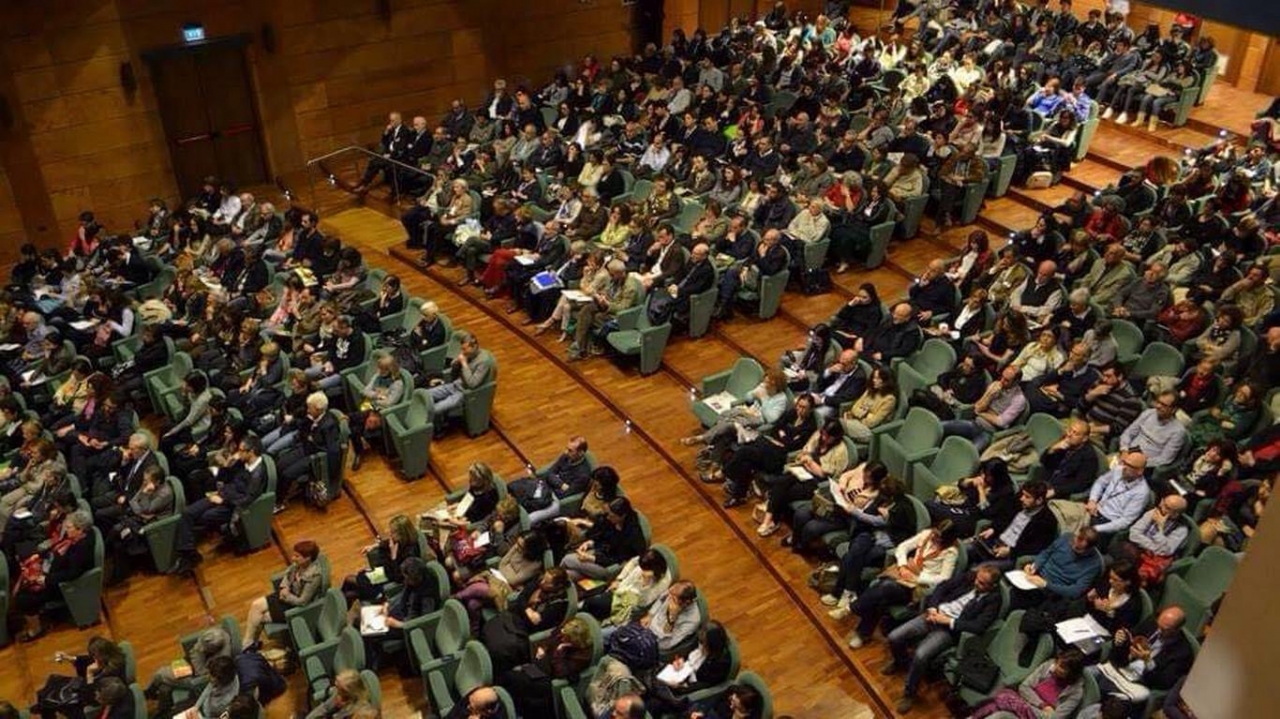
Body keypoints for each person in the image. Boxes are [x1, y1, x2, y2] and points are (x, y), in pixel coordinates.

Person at [883, 565, 1004, 713]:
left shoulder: (993, 600)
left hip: (949, 629)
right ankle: (901, 662)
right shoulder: (970, 577)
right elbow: (942, 587)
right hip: (934, 614)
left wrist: (948, 621)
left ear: (993, 586)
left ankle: (909, 693)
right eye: (977, 579)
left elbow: (978, 626)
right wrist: (933, 607)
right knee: (894, 637)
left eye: (982, 583)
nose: (976, 583)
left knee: (921, 655)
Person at [844, 521, 962, 649]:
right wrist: (903, 566)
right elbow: (902, 547)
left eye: (939, 537)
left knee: (885, 586)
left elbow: (944, 579)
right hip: (905, 574)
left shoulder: (951, 552)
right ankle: (862, 633)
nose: (935, 538)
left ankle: (852, 610)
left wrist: (919, 578)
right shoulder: (927, 534)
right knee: (883, 595)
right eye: (935, 533)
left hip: (920, 587)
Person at [822, 476, 917, 616]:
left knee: (852, 557)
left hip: (888, 542)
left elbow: (879, 522)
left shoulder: (903, 507)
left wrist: (884, 516)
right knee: (852, 554)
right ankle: (844, 592)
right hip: (872, 534)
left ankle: (845, 591)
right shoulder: (882, 498)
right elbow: (870, 513)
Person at [1088, 607, 1194, 711]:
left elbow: (1164, 682)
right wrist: (1121, 640)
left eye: (1164, 629)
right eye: (1158, 625)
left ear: (1177, 630)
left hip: (1140, 682)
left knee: (1110, 706)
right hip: (1121, 666)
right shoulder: (1152, 622)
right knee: (1087, 673)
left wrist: (1148, 662)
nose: (1158, 630)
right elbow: (1131, 637)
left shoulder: (1183, 653)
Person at [242, 540, 324, 647]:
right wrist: (284, 587)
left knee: (260, 617)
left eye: (297, 556)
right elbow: (287, 575)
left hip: (294, 606)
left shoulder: (315, 576)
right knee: (255, 605)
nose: (293, 558)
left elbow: (303, 601)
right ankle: (249, 643)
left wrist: (287, 597)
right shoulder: (297, 565)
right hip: (286, 594)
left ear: (307, 558)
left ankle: (249, 645)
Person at [968, 648, 1087, 719]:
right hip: (1024, 704)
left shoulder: (1075, 692)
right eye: (1057, 663)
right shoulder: (1048, 666)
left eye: (1061, 667)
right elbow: (1024, 687)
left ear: (1072, 672)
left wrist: (1028, 706)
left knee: (1002, 707)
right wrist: (1043, 705)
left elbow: (1054, 717)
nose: (1056, 667)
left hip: (1036, 716)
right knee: (996, 705)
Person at [970, 480, 1059, 570]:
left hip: (1012, 556)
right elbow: (1003, 516)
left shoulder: (1048, 521)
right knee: (966, 550)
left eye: (1027, 497)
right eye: (1023, 494)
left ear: (1039, 500)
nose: (1022, 498)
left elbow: (1036, 548)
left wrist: (1010, 551)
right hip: (996, 542)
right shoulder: (1019, 503)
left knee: (978, 570)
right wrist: (993, 529)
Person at [1011, 528, 1104, 610]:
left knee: (1014, 600)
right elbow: (1046, 553)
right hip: (1036, 576)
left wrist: (1045, 584)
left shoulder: (1094, 564)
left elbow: (1075, 591)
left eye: (1078, 548)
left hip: (1052, 591)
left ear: (1089, 549)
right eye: (1074, 541)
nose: (1073, 546)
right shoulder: (1066, 537)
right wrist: (1035, 566)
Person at [941, 365, 1027, 452]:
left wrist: (981, 413)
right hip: (975, 423)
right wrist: (990, 395)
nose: (1002, 381)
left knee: (968, 453)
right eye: (1002, 377)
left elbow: (1001, 422)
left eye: (1006, 380)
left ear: (1016, 382)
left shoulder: (1019, 399)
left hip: (988, 433)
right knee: (941, 426)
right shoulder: (996, 385)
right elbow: (977, 407)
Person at [560, 496, 646, 580]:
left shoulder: (632, 535)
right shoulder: (610, 521)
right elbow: (602, 536)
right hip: (599, 553)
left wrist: (591, 558)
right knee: (568, 574)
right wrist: (589, 543)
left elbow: (619, 559)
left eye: (611, 516)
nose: (608, 517)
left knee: (567, 559)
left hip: (610, 566)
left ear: (622, 516)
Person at [429, 330, 495, 422]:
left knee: (435, 409)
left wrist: (464, 363)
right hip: (455, 385)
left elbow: (472, 384)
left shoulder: (484, 361)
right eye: (462, 349)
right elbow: (454, 375)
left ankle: (438, 427)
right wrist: (455, 364)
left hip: (464, 393)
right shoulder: (468, 354)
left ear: (474, 346)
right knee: (426, 395)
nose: (462, 352)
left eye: (465, 349)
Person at [1118, 394, 1186, 471]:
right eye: (1158, 402)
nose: (1158, 406)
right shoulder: (1149, 413)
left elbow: (1165, 459)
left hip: (1144, 467)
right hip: (1126, 454)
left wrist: (1138, 462)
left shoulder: (1178, 431)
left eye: (1163, 405)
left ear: (1174, 409)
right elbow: (1128, 433)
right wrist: (1124, 450)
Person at [305, 669, 376, 719]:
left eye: (339, 691)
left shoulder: (361, 714)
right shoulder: (339, 695)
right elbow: (325, 707)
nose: (336, 694)